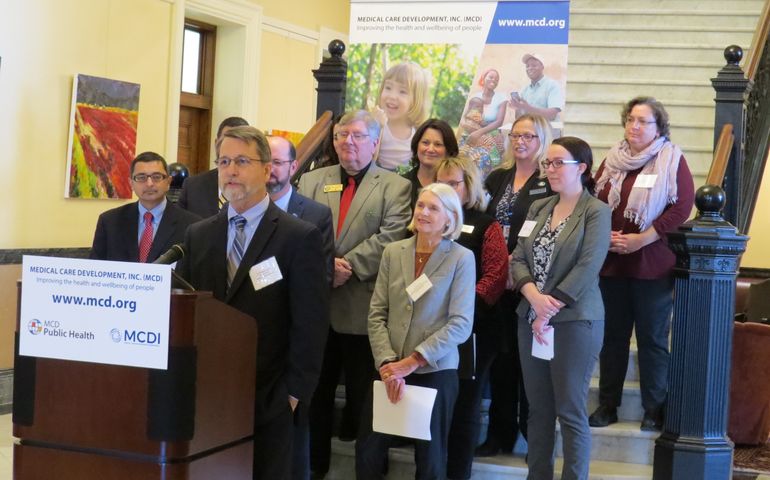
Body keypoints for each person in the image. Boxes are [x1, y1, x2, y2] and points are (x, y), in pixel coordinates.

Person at [175, 126, 329, 480]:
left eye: (242, 161)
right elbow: (189, 308)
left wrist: (293, 394)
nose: (231, 170)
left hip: (271, 395)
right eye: (224, 161)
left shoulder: (298, 237)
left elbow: (310, 324)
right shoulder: (199, 235)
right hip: (210, 396)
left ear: (266, 170)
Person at [297, 110, 412, 478]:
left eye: (358, 135)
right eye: (342, 134)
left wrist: (345, 265)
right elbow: (298, 231)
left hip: (365, 313)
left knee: (365, 403)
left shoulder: (397, 186)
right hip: (317, 310)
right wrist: (327, 268)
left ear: (376, 143)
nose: (348, 141)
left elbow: (392, 236)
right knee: (314, 400)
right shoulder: (312, 181)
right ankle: (312, 470)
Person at [588, 97, 695, 432]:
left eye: (643, 122)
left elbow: (681, 208)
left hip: (652, 265)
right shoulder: (611, 159)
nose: (634, 127)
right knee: (612, 339)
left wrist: (643, 238)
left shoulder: (671, 159)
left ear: (658, 127)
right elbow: (592, 201)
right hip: (611, 265)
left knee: (651, 339)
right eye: (631, 120)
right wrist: (603, 236)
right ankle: (608, 405)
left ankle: (654, 408)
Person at [356, 183, 476, 480]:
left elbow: (460, 324)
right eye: (421, 205)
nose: (423, 212)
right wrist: (387, 364)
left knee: (430, 458)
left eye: (433, 208)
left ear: (450, 218)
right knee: (369, 450)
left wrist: (411, 362)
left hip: (434, 370)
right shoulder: (393, 252)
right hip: (389, 366)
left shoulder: (461, 258)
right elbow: (377, 313)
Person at [511, 136, 611, 480]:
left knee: (569, 410)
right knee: (538, 410)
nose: (549, 170)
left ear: (581, 168)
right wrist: (533, 299)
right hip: (530, 318)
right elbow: (519, 257)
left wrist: (549, 306)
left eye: (557, 163)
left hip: (574, 320)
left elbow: (588, 265)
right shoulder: (539, 208)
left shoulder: (596, 211)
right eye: (547, 163)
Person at [476, 114, 554, 457]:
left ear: (542, 140)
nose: (520, 141)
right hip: (495, 283)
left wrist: (516, 267)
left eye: (529, 136)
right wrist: (498, 267)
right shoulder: (496, 178)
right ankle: (499, 434)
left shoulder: (549, 181)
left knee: (530, 366)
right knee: (502, 362)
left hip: (532, 284)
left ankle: (532, 435)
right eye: (516, 135)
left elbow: (547, 232)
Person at [438, 155, 508, 480]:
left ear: (469, 186)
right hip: (434, 328)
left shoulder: (486, 224)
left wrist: (461, 309)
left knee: (465, 409)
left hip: (475, 330)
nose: (447, 189)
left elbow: (495, 276)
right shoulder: (431, 217)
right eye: (442, 182)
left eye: (454, 183)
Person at [90, 151, 201, 262]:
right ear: (131, 183)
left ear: (168, 182)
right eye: (141, 177)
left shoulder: (192, 225)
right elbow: (94, 270)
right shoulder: (109, 222)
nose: (149, 184)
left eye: (156, 177)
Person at [267, 135, 334, 284]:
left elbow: (323, 277)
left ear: (293, 167)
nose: (269, 168)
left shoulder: (317, 216)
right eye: (264, 161)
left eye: (277, 162)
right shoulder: (243, 209)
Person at [177, 116, 249, 217]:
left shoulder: (258, 187)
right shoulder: (193, 187)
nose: (232, 148)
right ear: (216, 143)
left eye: (239, 142)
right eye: (226, 141)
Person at [373, 62, 431, 172]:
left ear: (416, 100)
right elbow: (370, 161)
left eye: (402, 91)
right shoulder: (378, 124)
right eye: (388, 87)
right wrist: (377, 127)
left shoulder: (418, 133)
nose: (392, 96)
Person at [458, 69, 508, 178]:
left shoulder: (501, 98)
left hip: (491, 133)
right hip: (471, 131)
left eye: (496, 79)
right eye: (491, 77)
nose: (493, 80)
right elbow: (463, 118)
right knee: (459, 157)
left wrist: (479, 132)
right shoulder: (475, 96)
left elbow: (499, 122)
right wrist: (468, 126)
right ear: (483, 78)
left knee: (479, 159)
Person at [401, 118, 459, 210]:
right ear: (417, 146)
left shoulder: (454, 187)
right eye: (425, 143)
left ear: (449, 150)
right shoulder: (401, 184)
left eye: (438, 144)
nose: (430, 149)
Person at [509, 54, 564, 123]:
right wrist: (518, 107)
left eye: (534, 65)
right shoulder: (524, 90)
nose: (530, 68)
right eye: (527, 66)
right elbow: (519, 118)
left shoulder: (552, 85)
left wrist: (528, 108)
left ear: (542, 67)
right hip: (529, 131)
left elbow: (552, 115)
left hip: (548, 132)